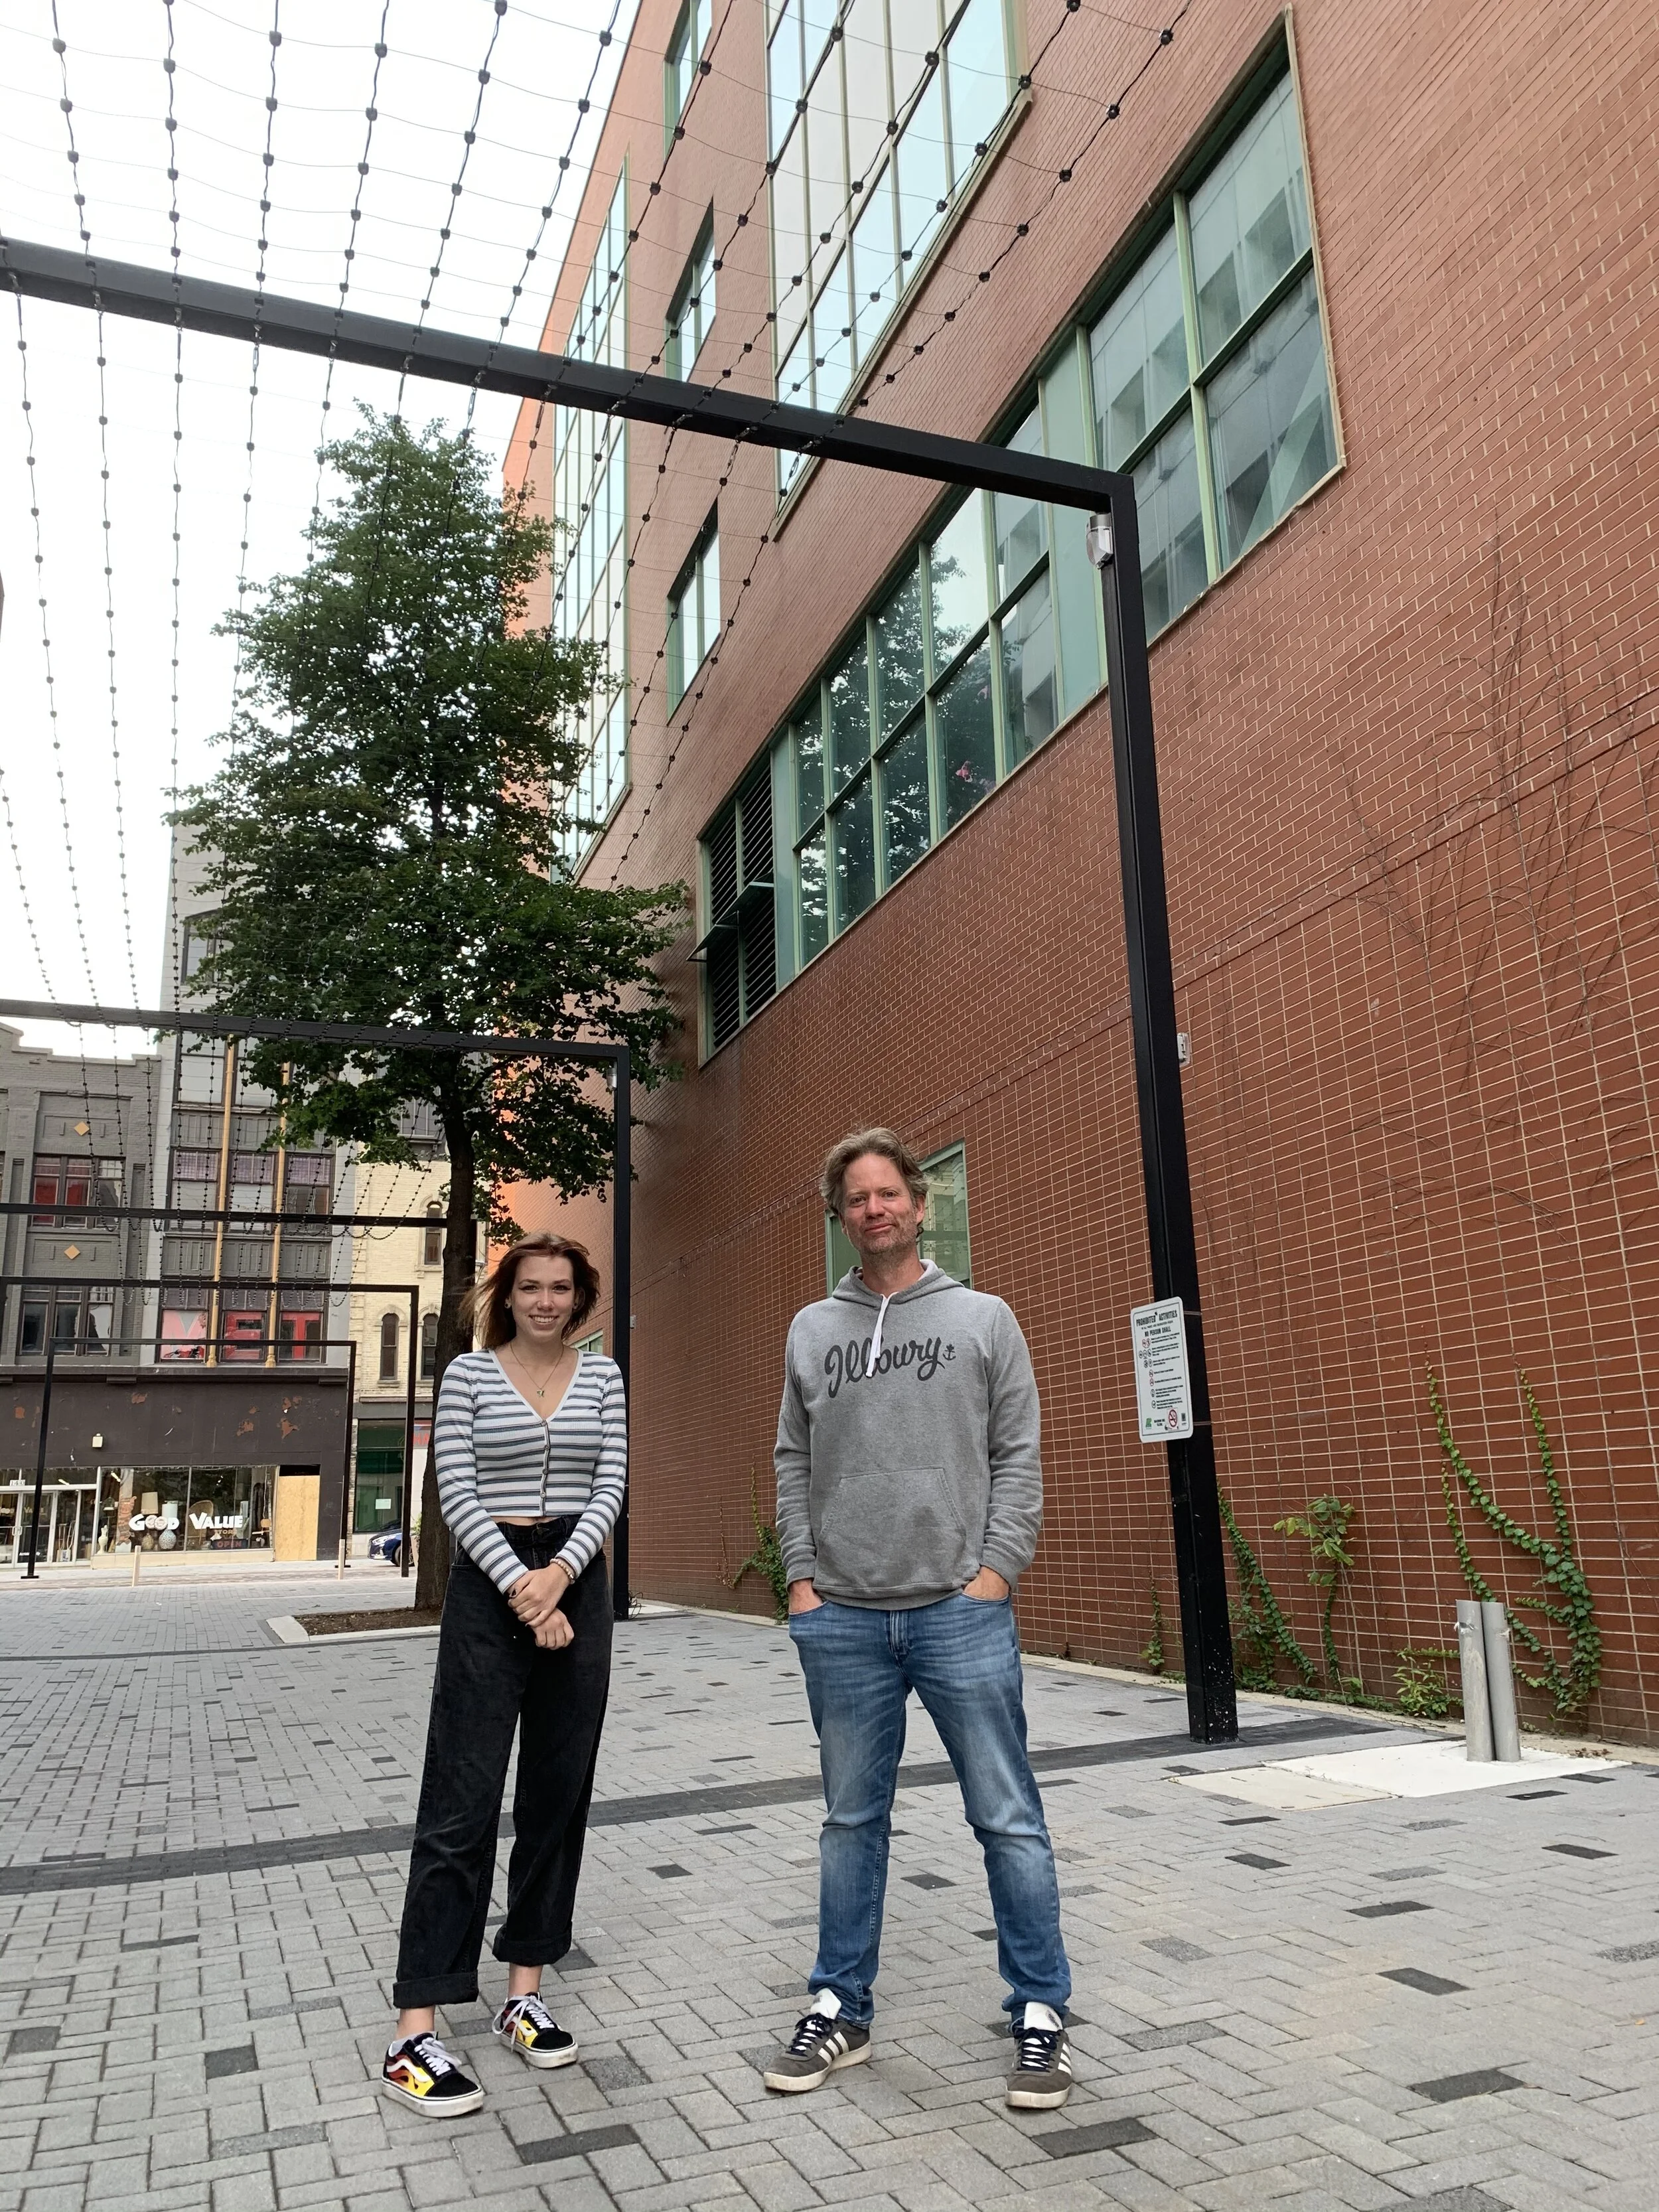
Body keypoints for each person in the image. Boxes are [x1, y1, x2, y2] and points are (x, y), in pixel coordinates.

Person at [764, 1129, 1073, 2110]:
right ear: (839, 1216)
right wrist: (803, 1581)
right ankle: (838, 2007)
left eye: (889, 1193)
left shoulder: (985, 1318)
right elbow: (791, 1459)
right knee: (852, 1822)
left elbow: (1018, 1453)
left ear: (919, 1203)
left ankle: (1039, 2013)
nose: (875, 1209)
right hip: (844, 1617)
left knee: (1008, 1818)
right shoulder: (813, 1327)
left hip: (958, 1612)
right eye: (856, 1198)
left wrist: (996, 1572)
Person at [380, 1232, 624, 2115]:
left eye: (562, 1287)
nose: (547, 1300)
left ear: (579, 1296)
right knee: (462, 1800)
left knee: (559, 1793)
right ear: (507, 1295)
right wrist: (524, 1585)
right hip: (491, 1588)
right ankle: (415, 2032)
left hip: (577, 1580)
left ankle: (525, 1990)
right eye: (532, 1287)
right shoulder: (473, 1378)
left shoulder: (603, 1378)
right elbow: (457, 1485)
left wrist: (561, 1575)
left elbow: (609, 1485)